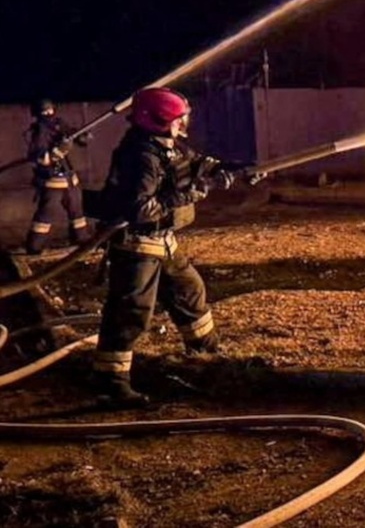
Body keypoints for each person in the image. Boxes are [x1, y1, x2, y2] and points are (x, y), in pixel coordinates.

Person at [90, 87, 243, 407]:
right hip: (138, 247)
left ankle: (206, 355)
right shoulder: (140, 157)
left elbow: (193, 163)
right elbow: (140, 209)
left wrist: (228, 167)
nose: (182, 125)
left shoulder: (162, 145)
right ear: (157, 121)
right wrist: (191, 193)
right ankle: (110, 382)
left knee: (190, 293)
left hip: (164, 243)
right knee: (130, 313)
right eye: (177, 120)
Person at [23, 98, 92, 254]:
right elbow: (41, 158)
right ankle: (34, 246)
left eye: (50, 110)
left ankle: (81, 239)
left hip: (69, 178)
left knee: (77, 211)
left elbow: (72, 134)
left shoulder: (59, 124)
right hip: (52, 181)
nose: (49, 114)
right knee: (46, 214)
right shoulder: (38, 132)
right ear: (37, 114)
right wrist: (59, 150)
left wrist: (81, 137)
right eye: (44, 111)